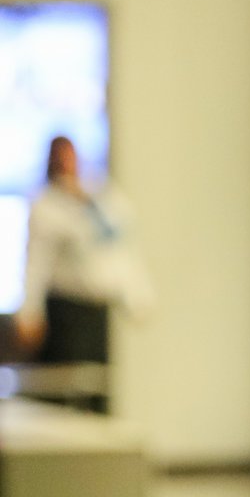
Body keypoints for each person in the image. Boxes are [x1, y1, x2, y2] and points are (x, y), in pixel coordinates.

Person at [16, 136, 150, 412]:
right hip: (66, 314)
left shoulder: (101, 196)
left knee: (98, 389)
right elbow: (36, 263)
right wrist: (29, 312)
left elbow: (121, 249)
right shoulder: (46, 204)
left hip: (97, 313)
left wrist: (139, 297)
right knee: (65, 393)